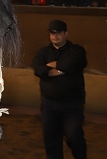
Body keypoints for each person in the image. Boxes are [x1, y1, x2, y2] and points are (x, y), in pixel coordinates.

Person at [33, 20, 87, 159]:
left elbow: (73, 62)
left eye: (59, 33)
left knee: (74, 136)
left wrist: (54, 67)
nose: (55, 36)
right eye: (52, 33)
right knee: (51, 140)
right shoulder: (43, 52)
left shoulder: (76, 51)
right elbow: (39, 69)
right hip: (49, 105)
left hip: (72, 104)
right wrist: (63, 70)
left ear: (66, 34)